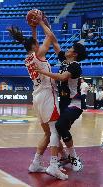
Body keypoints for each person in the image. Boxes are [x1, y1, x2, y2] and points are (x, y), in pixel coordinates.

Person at [8, 16, 68, 180]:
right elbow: (50, 37)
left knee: (48, 134)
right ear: (35, 47)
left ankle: (35, 163)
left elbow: (35, 42)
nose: (39, 44)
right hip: (48, 94)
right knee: (55, 131)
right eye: (37, 43)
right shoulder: (39, 53)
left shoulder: (28, 57)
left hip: (37, 96)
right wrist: (41, 22)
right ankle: (53, 165)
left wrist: (33, 28)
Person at [35, 42, 86, 173]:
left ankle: (74, 157)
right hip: (63, 101)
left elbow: (63, 77)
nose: (67, 49)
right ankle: (62, 157)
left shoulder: (75, 66)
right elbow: (55, 43)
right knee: (60, 131)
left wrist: (43, 72)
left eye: (70, 48)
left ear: (74, 54)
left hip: (75, 101)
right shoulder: (64, 60)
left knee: (60, 126)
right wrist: (43, 23)